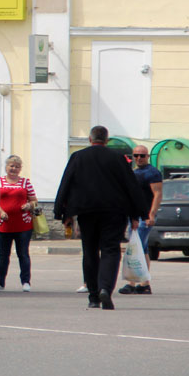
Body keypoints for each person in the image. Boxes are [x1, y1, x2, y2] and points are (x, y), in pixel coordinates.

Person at [53, 125, 146, 310]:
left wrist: (63, 213)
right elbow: (131, 186)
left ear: (90, 139)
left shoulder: (78, 157)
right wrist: (137, 214)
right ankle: (105, 288)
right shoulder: (118, 158)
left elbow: (66, 183)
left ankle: (93, 296)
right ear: (106, 140)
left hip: (86, 212)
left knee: (89, 252)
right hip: (114, 211)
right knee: (110, 251)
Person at [119, 145, 162, 295]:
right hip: (135, 216)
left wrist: (151, 215)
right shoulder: (135, 172)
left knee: (135, 247)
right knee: (142, 248)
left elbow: (157, 194)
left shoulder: (152, 173)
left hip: (144, 217)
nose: (138, 158)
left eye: (142, 155)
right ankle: (144, 283)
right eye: (136, 155)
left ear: (148, 157)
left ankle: (132, 283)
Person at [0, 155, 39, 291]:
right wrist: (0, 211)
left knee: (23, 253)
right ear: (6, 167)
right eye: (11, 166)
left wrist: (29, 205)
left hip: (23, 224)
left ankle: (26, 282)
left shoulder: (25, 182)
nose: (14, 168)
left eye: (17, 166)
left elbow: (34, 200)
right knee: (3, 254)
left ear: (20, 169)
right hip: (3, 223)